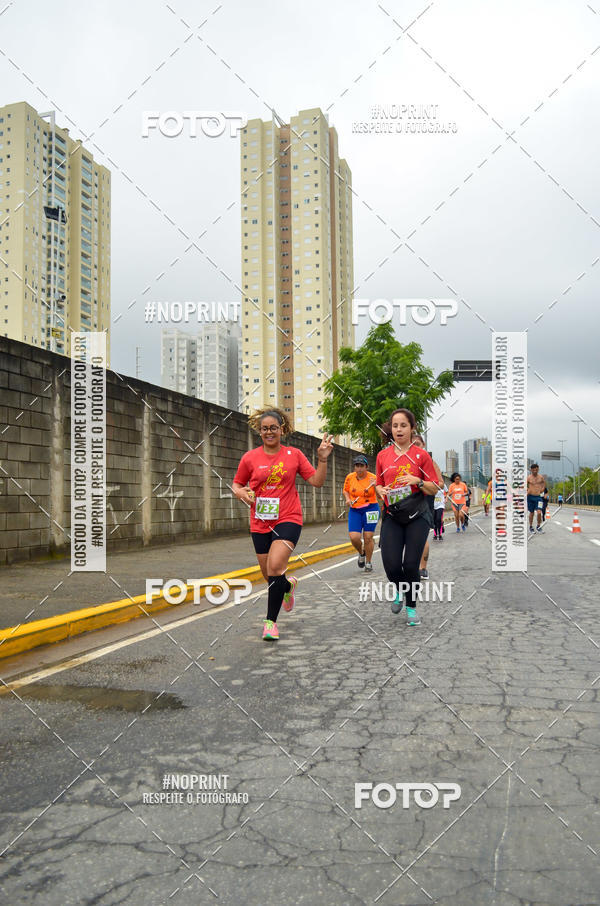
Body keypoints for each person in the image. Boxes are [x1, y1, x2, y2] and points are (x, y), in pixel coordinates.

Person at [232, 407, 333, 640]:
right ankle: (288, 587)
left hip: (288, 518)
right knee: (270, 576)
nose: (269, 432)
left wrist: (322, 459)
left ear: (281, 430)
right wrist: (241, 493)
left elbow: (317, 481)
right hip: (259, 522)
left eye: (273, 428)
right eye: (265, 428)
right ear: (260, 431)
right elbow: (237, 484)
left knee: (275, 567)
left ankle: (270, 623)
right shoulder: (250, 458)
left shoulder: (294, 455)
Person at [375, 409, 438, 626]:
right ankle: (401, 590)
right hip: (393, 514)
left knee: (411, 565)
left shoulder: (422, 456)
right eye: (395, 426)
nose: (399, 429)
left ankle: (411, 607)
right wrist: (380, 491)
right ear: (390, 429)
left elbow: (434, 488)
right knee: (391, 565)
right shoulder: (383, 456)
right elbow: (379, 484)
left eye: (403, 425)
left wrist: (416, 480)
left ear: (412, 428)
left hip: (416, 515)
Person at [413, 434, 443, 578]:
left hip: (425, 501)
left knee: (422, 536)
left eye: (418, 444)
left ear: (423, 445)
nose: (415, 446)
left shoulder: (429, 461)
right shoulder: (404, 460)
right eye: (413, 444)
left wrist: (422, 483)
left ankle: (422, 568)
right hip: (406, 502)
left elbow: (440, 483)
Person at [343, 455, 379, 572]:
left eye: (362, 466)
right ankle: (361, 552)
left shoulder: (373, 478)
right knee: (354, 537)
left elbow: (380, 495)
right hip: (355, 509)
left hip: (371, 508)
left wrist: (375, 486)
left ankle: (368, 562)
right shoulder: (350, 477)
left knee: (368, 537)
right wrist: (348, 499)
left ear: (366, 467)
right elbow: (345, 490)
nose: (359, 469)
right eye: (357, 466)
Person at [527, 463, 546, 534]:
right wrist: (527, 490)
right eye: (534, 470)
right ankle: (531, 527)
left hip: (538, 497)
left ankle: (538, 526)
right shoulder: (528, 477)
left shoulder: (541, 477)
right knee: (531, 513)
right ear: (531, 470)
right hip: (530, 497)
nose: (535, 471)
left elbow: (544, 483)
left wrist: (543, 489)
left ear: (538, 469)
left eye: (536, 470)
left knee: (539, 512)